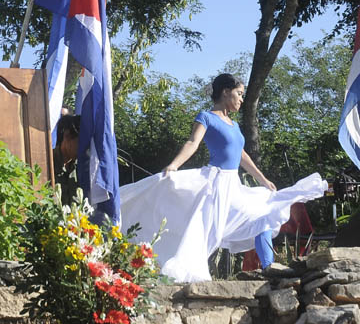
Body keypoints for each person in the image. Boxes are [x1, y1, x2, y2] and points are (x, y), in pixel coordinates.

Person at [119, 73, 327, 282]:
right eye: (239, 94)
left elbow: (241, 155)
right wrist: (174, 165)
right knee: (212, 227)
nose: (241, 99)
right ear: (225, 92)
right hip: (215, 184)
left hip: (233, 184)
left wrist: (262, 179)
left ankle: (268, 268)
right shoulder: (207, 117)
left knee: (263, 215)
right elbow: (193, 142)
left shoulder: (234, 125)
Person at [54, 113, 81, 206]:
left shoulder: (80, 168)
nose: (84, 147)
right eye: (80, 142)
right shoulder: (47, 163)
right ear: (67, 135)